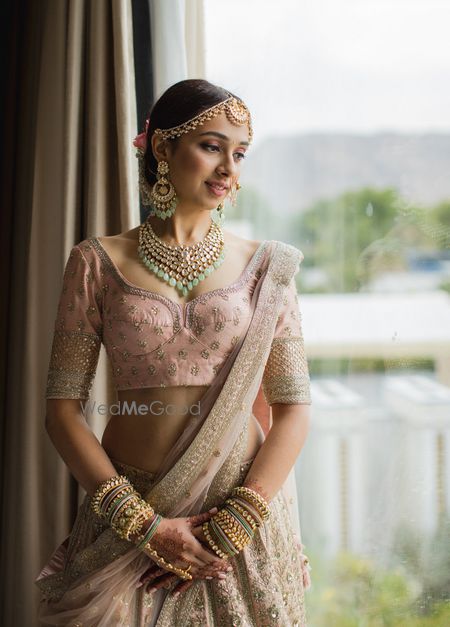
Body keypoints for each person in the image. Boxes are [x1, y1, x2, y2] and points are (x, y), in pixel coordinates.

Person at [35, 79, 312, 626]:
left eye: (239, 153)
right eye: (211, 146)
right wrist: (143, 525)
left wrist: (238, 519)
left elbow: (294, 409)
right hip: (131, 512)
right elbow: (62, 412)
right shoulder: (97, 262)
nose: (229, 169)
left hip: (235, 518)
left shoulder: (267, 269)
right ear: (162, 148)